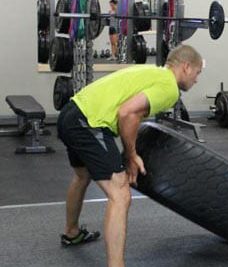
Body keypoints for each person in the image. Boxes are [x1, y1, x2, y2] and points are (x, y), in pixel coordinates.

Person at [57, 45, 203, 267]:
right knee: (121, 194)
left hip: (71, 113)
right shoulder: (169, 87)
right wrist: (131, 156)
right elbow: (127, 113)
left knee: (81, 176)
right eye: (198, 73)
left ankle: (71, 232)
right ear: (186, 67)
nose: (197, 79)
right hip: (88, 124)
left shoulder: (152, 72)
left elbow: (128, 113)